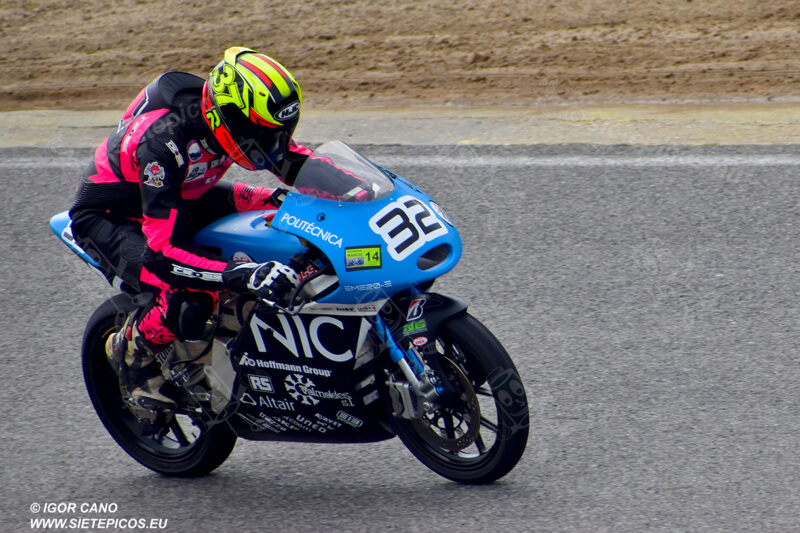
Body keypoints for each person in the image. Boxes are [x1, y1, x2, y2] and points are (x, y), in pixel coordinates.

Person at [69, 46, 320, 412]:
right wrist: (244, 274)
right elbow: (162, 255)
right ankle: (133, 353)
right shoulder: (163, 145)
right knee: (187, 294)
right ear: (225, 118)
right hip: (111, 215)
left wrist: (367, 194)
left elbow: (299, 162)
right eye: (261, 132)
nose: (270, 144)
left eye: (278, 132)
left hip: (181, 194)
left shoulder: (236, 122)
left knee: (284, 205)